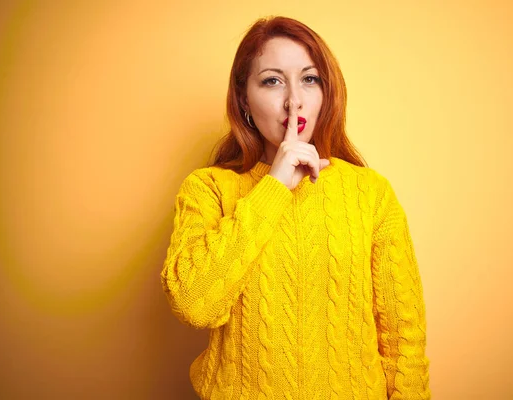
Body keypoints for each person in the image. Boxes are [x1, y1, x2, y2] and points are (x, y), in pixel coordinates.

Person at [160, 15, 431, 400]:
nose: (294, 99)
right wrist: (274, 185)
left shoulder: (371, 193)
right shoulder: (208, 189)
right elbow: (193, 304)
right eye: (272, 80)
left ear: (326, 93)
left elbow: (404, 340)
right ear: (244, 100)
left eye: (309, 79)